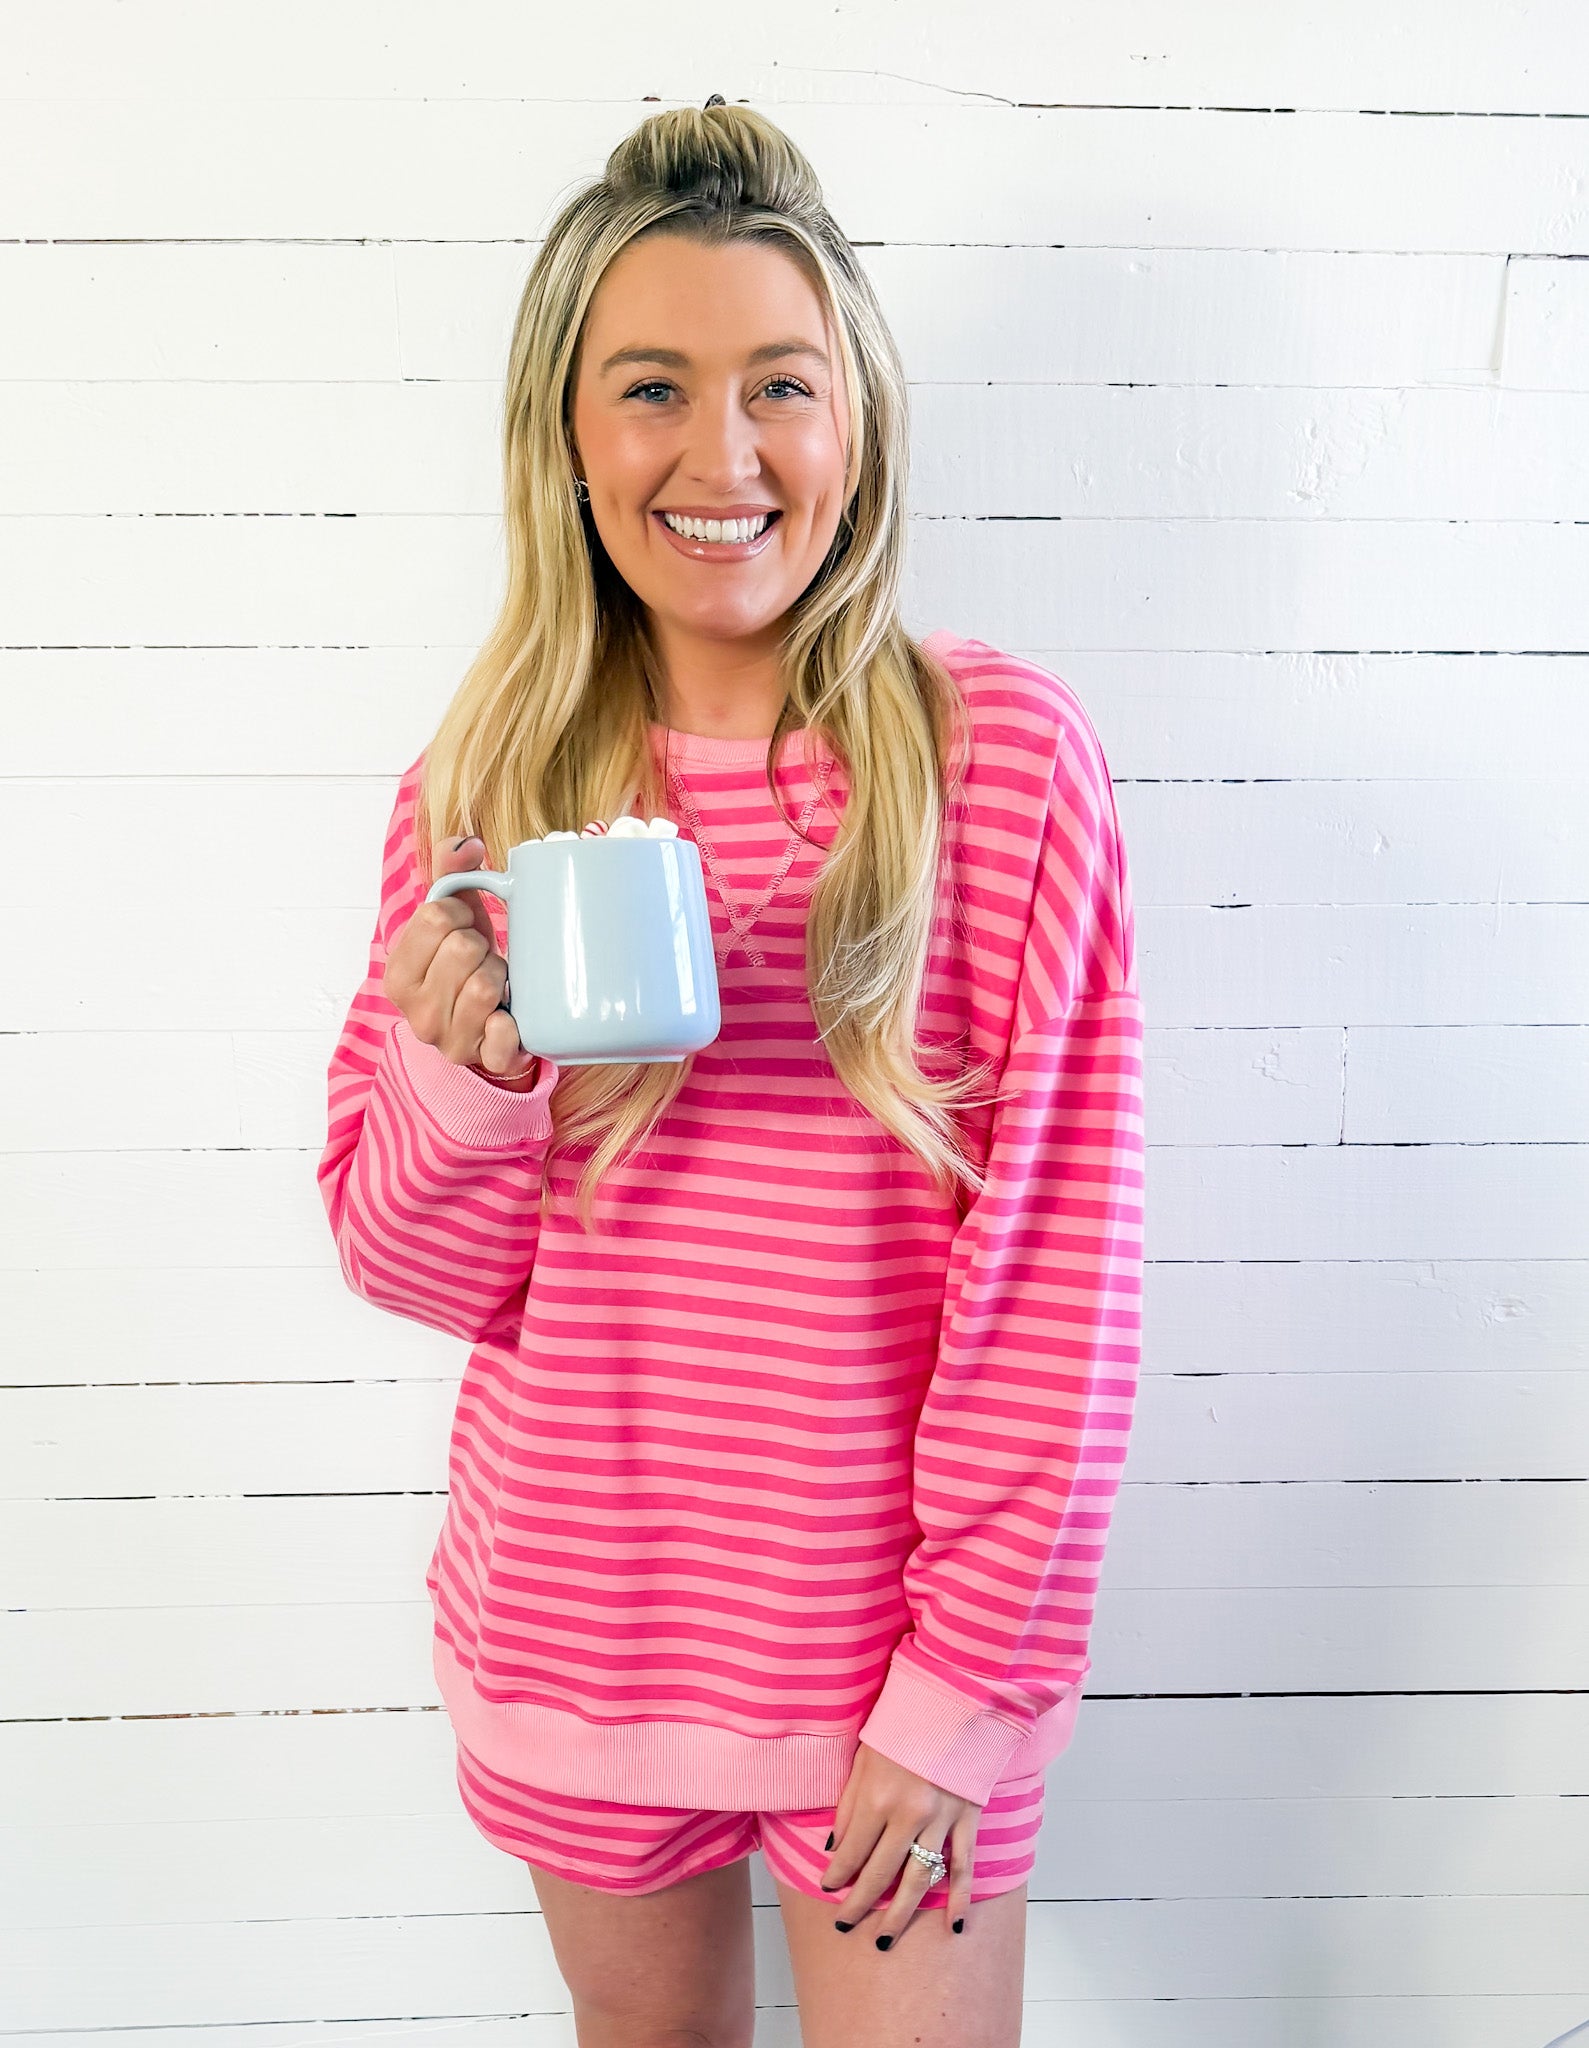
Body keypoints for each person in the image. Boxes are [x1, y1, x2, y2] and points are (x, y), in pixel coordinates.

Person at [317, 96, 1144, 2048]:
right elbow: (410, 1269)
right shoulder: (486, 797)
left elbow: (1059, 1289)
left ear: (852, 415)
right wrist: (466, 1080)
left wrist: (957, 1698)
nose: (723, 451)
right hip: (574, 1642)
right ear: (569, 436)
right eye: (653, 387)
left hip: (896, 1681)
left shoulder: (1001, 765)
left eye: (780, 382)